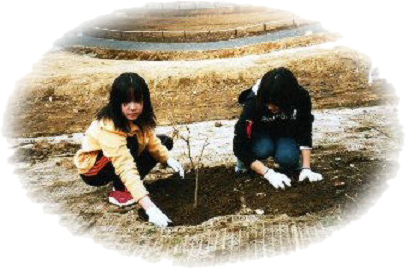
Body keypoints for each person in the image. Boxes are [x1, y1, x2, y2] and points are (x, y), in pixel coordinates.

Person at [73, 72, 184, 227]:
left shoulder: (139, 117)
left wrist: (167, 158)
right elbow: (124, 165)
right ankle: (120, 191)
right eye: (126, 102)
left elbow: (150, 139)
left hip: (116, 157)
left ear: (144, 100)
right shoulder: (109, 126)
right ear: (117, 103)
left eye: (137, 101)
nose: (132, 107)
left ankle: (127, 186)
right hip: (93, 169)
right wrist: (150, 208)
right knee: (131, 142)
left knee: (163, 141)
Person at [233, 67, 323, 190]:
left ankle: (294, 166)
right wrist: (268, 173)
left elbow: (305, 128)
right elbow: (239, 143)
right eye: (267, 102)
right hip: (260, 133)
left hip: (283, 130)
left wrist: (306, 167)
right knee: (263, 149)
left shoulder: (301, 97)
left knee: (288, 158)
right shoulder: (253, 102)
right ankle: (243, 165)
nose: (270, 107)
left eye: (275, 103)